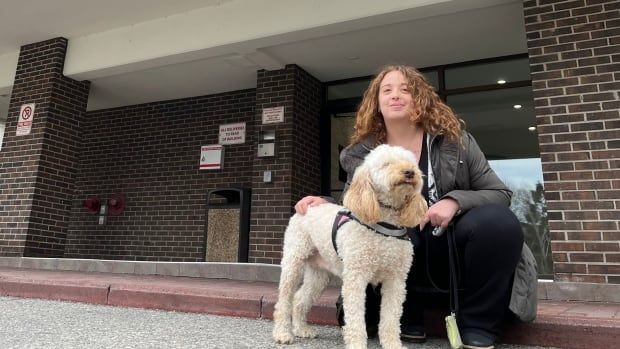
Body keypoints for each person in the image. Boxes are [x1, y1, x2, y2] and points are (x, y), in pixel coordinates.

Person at [295, 65, 538, 349]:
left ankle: (478, 324)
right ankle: (408, 319)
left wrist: (454, 201)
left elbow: (499, 193)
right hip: (396, 251)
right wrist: (326, 203)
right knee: (390, 229)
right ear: (376, 103)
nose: (396, 95)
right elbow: (358, 206)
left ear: (420, 98)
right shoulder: (362, 153)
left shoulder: (456, 141)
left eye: (406, 89)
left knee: (499, 223)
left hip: (450, 245)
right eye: (387, 90)